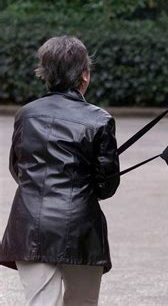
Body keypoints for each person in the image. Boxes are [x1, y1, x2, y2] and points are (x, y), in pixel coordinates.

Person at [0, 36, 120, 305]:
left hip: (30, 226)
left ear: (45, 74)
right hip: (81, 230)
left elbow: (17, 167)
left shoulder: (26, 114)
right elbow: (106, 186)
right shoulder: (100, 119)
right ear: (85, 75)